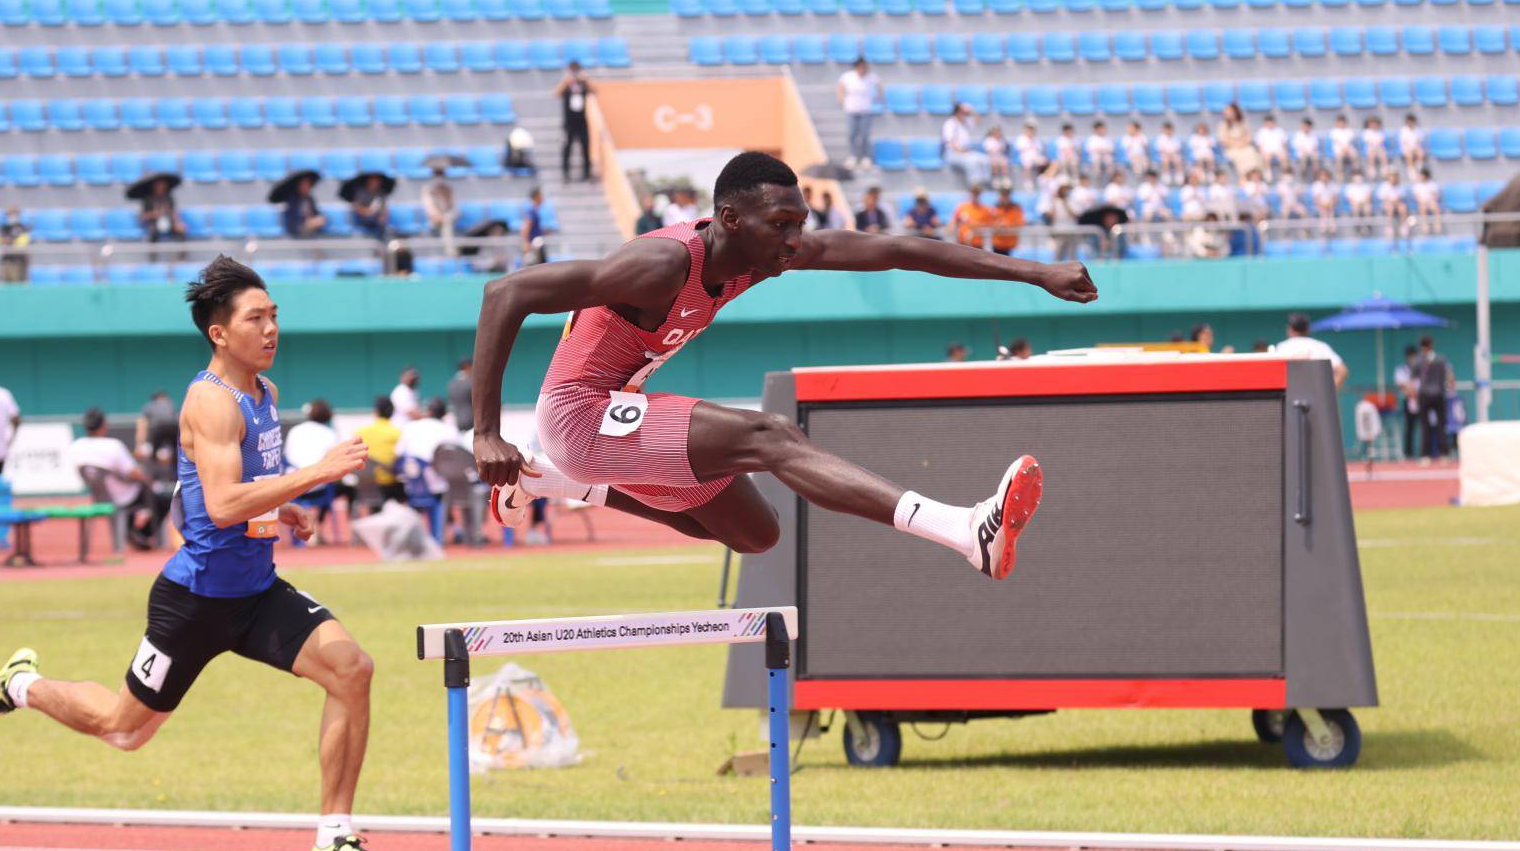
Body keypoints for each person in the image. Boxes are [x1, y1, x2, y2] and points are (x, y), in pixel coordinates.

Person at [469, 151, 1097, 581]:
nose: (794, 241)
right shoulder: (659, 265)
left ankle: (549, 479)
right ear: (729, 220)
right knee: (769, 437)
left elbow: (901, 249)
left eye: (799, 224)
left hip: (603, 429)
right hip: (581, 412)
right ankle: (964, 531)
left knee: (754, 533)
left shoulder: (757, 254)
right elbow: (507, 294)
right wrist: (487, 432)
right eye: (780, 225)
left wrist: (1035, 272)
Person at [0, 258, 398, 851]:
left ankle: (334, 837)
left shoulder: (265, 395)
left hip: (255, 592)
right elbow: (222, 505)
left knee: (352, 669)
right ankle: (22, 686)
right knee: (124, 732)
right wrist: (316, 473)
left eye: (275, 315)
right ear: (220, 333)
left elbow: (239, 489)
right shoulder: (210, 401)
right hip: (194, 602)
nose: (272, 328)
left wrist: (287, 508)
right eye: (257, 318)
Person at [70, 406, 168, 550]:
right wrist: (150, 479)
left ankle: (132, 530)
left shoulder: (76, 446)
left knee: (146, 492)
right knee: (162, 496)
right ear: (104, 426)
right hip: (126, 497)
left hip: (99, 497)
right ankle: (144, 534)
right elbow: (135, 473)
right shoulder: (113, 445)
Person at [284, 397, 348, 544]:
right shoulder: (330, 434)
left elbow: (286, 457)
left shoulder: (295, 431)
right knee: (341, 487)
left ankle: (308, 530)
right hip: (319, 485)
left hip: (293, 484)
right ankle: (317, 526)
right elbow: (338, 462)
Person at [1269, 312, 1349, 388]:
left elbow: (1273, 376)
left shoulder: (1282, 347)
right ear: (1308, 329)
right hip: (1318, 398)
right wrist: (1328, 391)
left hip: (1289, 398)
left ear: (1290, 329)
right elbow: (1342, 371)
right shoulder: (1320, 346)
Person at [357, 395, 405, 507]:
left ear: (376, 412)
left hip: (366, 486)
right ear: (392, 413)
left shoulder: (360, 433)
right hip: (390, 486)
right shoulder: (397, 433)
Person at [836, 56, 881, 167]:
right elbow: (840, 87)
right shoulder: (848, 77)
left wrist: (875, 98)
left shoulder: (871, 77)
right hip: (851, 109)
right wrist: (841, 98)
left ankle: (866, 157)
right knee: (852, 134)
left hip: (865, 110)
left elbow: (879, 87)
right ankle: (853, 156)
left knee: (864, 135)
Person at [1415, 336, 1455, 461]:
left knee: (1425, 425)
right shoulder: (1441, 359)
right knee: (1441, 425)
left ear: (1421, 346)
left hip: (1424, 394)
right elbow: (1450, 376)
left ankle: (1425, 455)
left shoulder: (1418, 360)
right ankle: (1444, 454)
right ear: (1432, 344)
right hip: (1439, 393)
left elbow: (1413, 379)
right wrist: (1451, 390)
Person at [554, 62, 593, 183]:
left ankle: (587, 173)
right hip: (569, 123)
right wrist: (567, 81)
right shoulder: (567, 84)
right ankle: (566, 173)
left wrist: (585, 80)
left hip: (582, 121)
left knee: (585, 147)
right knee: (567, 147)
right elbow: (556, 93)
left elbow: (594, 90)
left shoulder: (583, 84)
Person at [941, 103, 986, 192]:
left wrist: (972, 111)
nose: (965, 114)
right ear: (958, 112)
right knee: (971, 162)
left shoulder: (964, 122)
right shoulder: (950, 123)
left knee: (984, 159)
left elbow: (978, 120)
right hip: (953, 153)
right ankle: (974, 187)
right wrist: (961, 151)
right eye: (963, 112)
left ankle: (985, 183)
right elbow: (950, 141)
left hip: (965, 152)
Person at [1394, 344, 1422, 460]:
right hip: (1408, 400)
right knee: (1409, 428)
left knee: (1424, 427)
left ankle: (1425, 452)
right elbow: (1401, 384)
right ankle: (1408, 453)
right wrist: (1411, 392)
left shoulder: (1421, 369)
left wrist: (1417, 394)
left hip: (1421, 399)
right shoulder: (1401, 369)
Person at [282, 175, 326, 240]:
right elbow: (293, 218)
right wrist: (307, 221)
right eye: (304, 185)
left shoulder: (310, 199)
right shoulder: (292, 200)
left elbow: (316, 213)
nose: (306, 187)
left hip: (312, 230)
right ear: (299, 186)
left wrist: (319, 219)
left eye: (308, 185)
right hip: (297, 230)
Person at [420, 178, 458, 253]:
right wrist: (439, 217)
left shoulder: (449, 189)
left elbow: (456, 210)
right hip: (434, 221)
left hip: (448, 220)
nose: (440, 177)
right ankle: (450, 252)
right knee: (446, 225)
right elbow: (430, 209)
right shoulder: (428, 190)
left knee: (447, 224)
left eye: (441, 174)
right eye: (437, 174)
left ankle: (450, 253)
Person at [0, 208, 31, 284]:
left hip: (19, 260)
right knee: (6, 281)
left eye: (13, 215)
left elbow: (24, 241)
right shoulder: (4, 228)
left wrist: (11, 241)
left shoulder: (22, 227)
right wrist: (5, 240)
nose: (11, 217)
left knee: (17, 281)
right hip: (7, 259)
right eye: (9, 215)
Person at [520, 186, 549, 264]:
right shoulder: (531, 211)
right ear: (536, 196)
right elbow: (525, 227)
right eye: (541, 195)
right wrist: (526, 243)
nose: (542, 198)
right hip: (535, 244)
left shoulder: (535, 211)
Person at [446, 357, 474, 430]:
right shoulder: (470, 382)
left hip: (456, 420)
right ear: (467, 366)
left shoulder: (451, 383)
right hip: (471, 420)